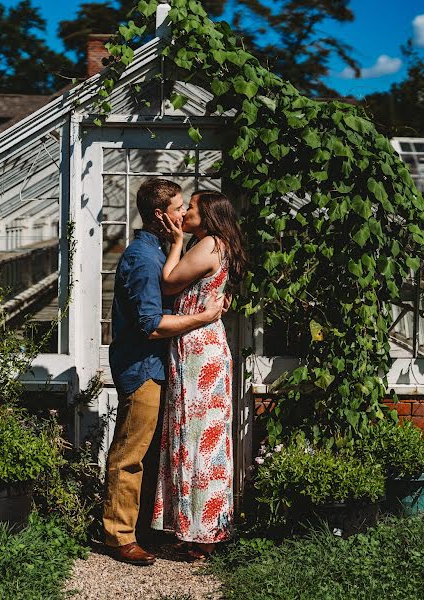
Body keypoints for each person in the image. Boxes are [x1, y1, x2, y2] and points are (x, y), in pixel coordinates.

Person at [103, 179, 226, 566]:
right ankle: (119, 536)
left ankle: (139, 528)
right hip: (143, 368)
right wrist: (202, 317)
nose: (183, 215)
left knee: (152, 453)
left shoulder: (162, 249)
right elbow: (151, 325)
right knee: (130, 454)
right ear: (161, 215)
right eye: (178, 208)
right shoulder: (143, 258)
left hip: (159, 366)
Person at [151, 190, 247, 561]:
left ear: (206, 215)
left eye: (190, 207)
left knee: (198, 438)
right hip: (198, 345)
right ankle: (193, 529)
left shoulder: (208, 243)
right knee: (196, 435)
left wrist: (175, 242)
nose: (185, 212)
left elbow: (168, 282)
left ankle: (202, 532)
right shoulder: (214, 243)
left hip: (198, 349)